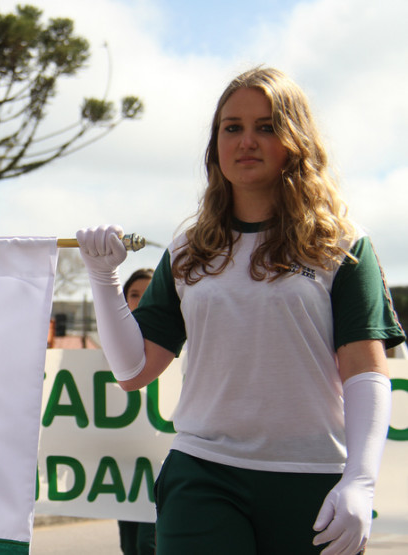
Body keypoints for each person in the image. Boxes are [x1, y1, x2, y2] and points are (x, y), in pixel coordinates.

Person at [76, 67, 405, 555]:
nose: (246, 140)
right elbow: (133, 371)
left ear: (296, 139)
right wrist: (103, 279)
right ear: (215, 146)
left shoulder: (343, 244)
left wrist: (360, 480)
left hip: (312, 480)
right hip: (202, 473)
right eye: (232, 127)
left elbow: (365, 371)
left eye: (266, 126)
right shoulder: (188, 249)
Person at [116, 268, 156, 555]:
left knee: (148, 544)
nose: (140, 302)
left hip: (161, 466)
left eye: (149, 295)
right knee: (129, 545)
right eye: (134, 295)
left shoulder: (182, 342)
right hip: (123, 468)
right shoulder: (109, 351)